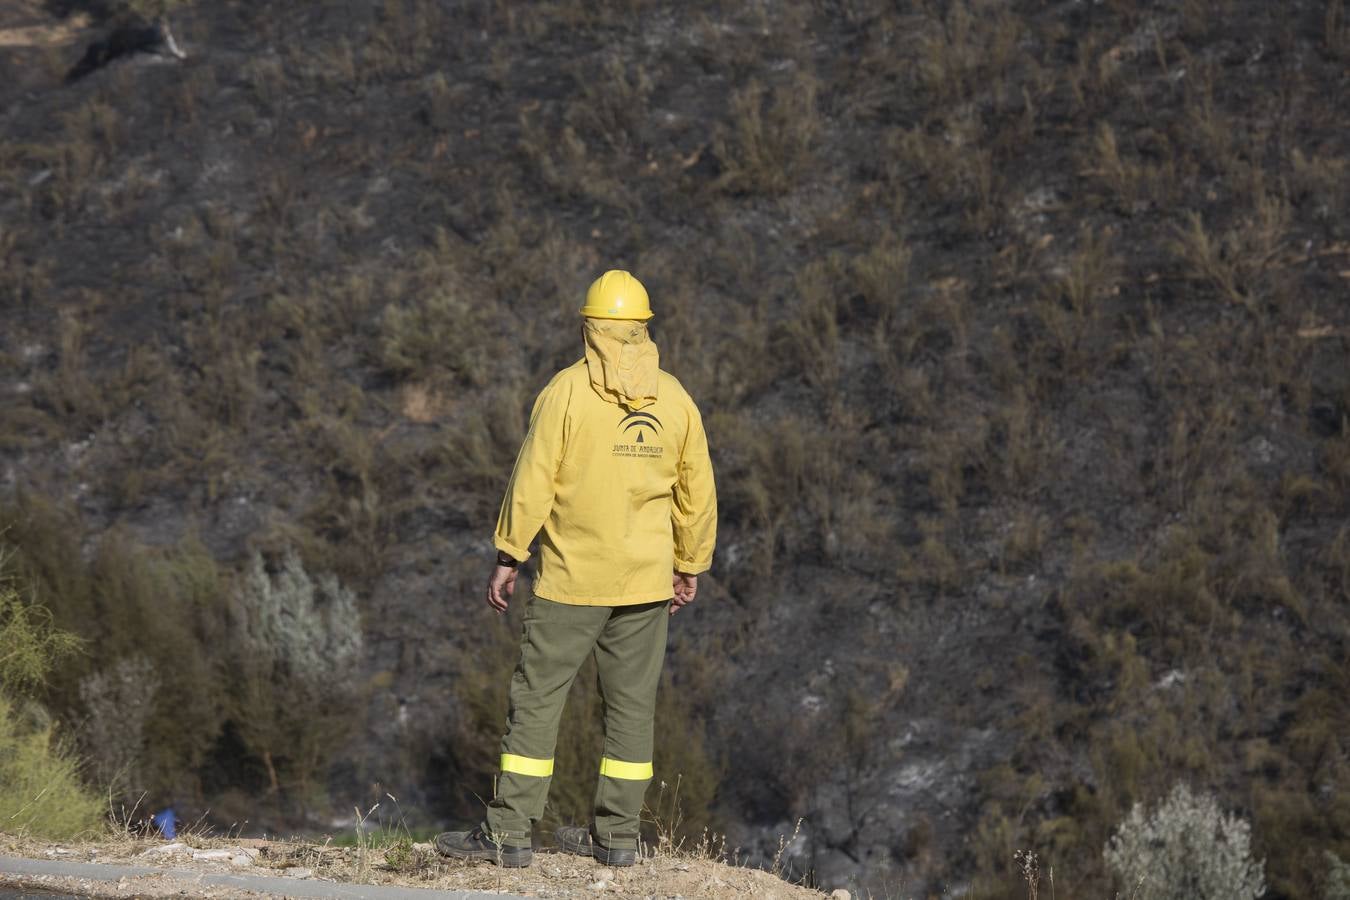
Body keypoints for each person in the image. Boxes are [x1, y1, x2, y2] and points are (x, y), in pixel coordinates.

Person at [435, 270, 717, 868]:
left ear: (591, 327)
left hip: (571, 581)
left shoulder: (565, 392)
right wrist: (689, 562)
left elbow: (533, 479)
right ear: (643, 328)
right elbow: (698, 491)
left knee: (537, 702)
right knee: (632, 710)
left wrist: (511, 553)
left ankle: (508, 832)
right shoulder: (676, 399)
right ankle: (617, 839)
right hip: (646, 583)